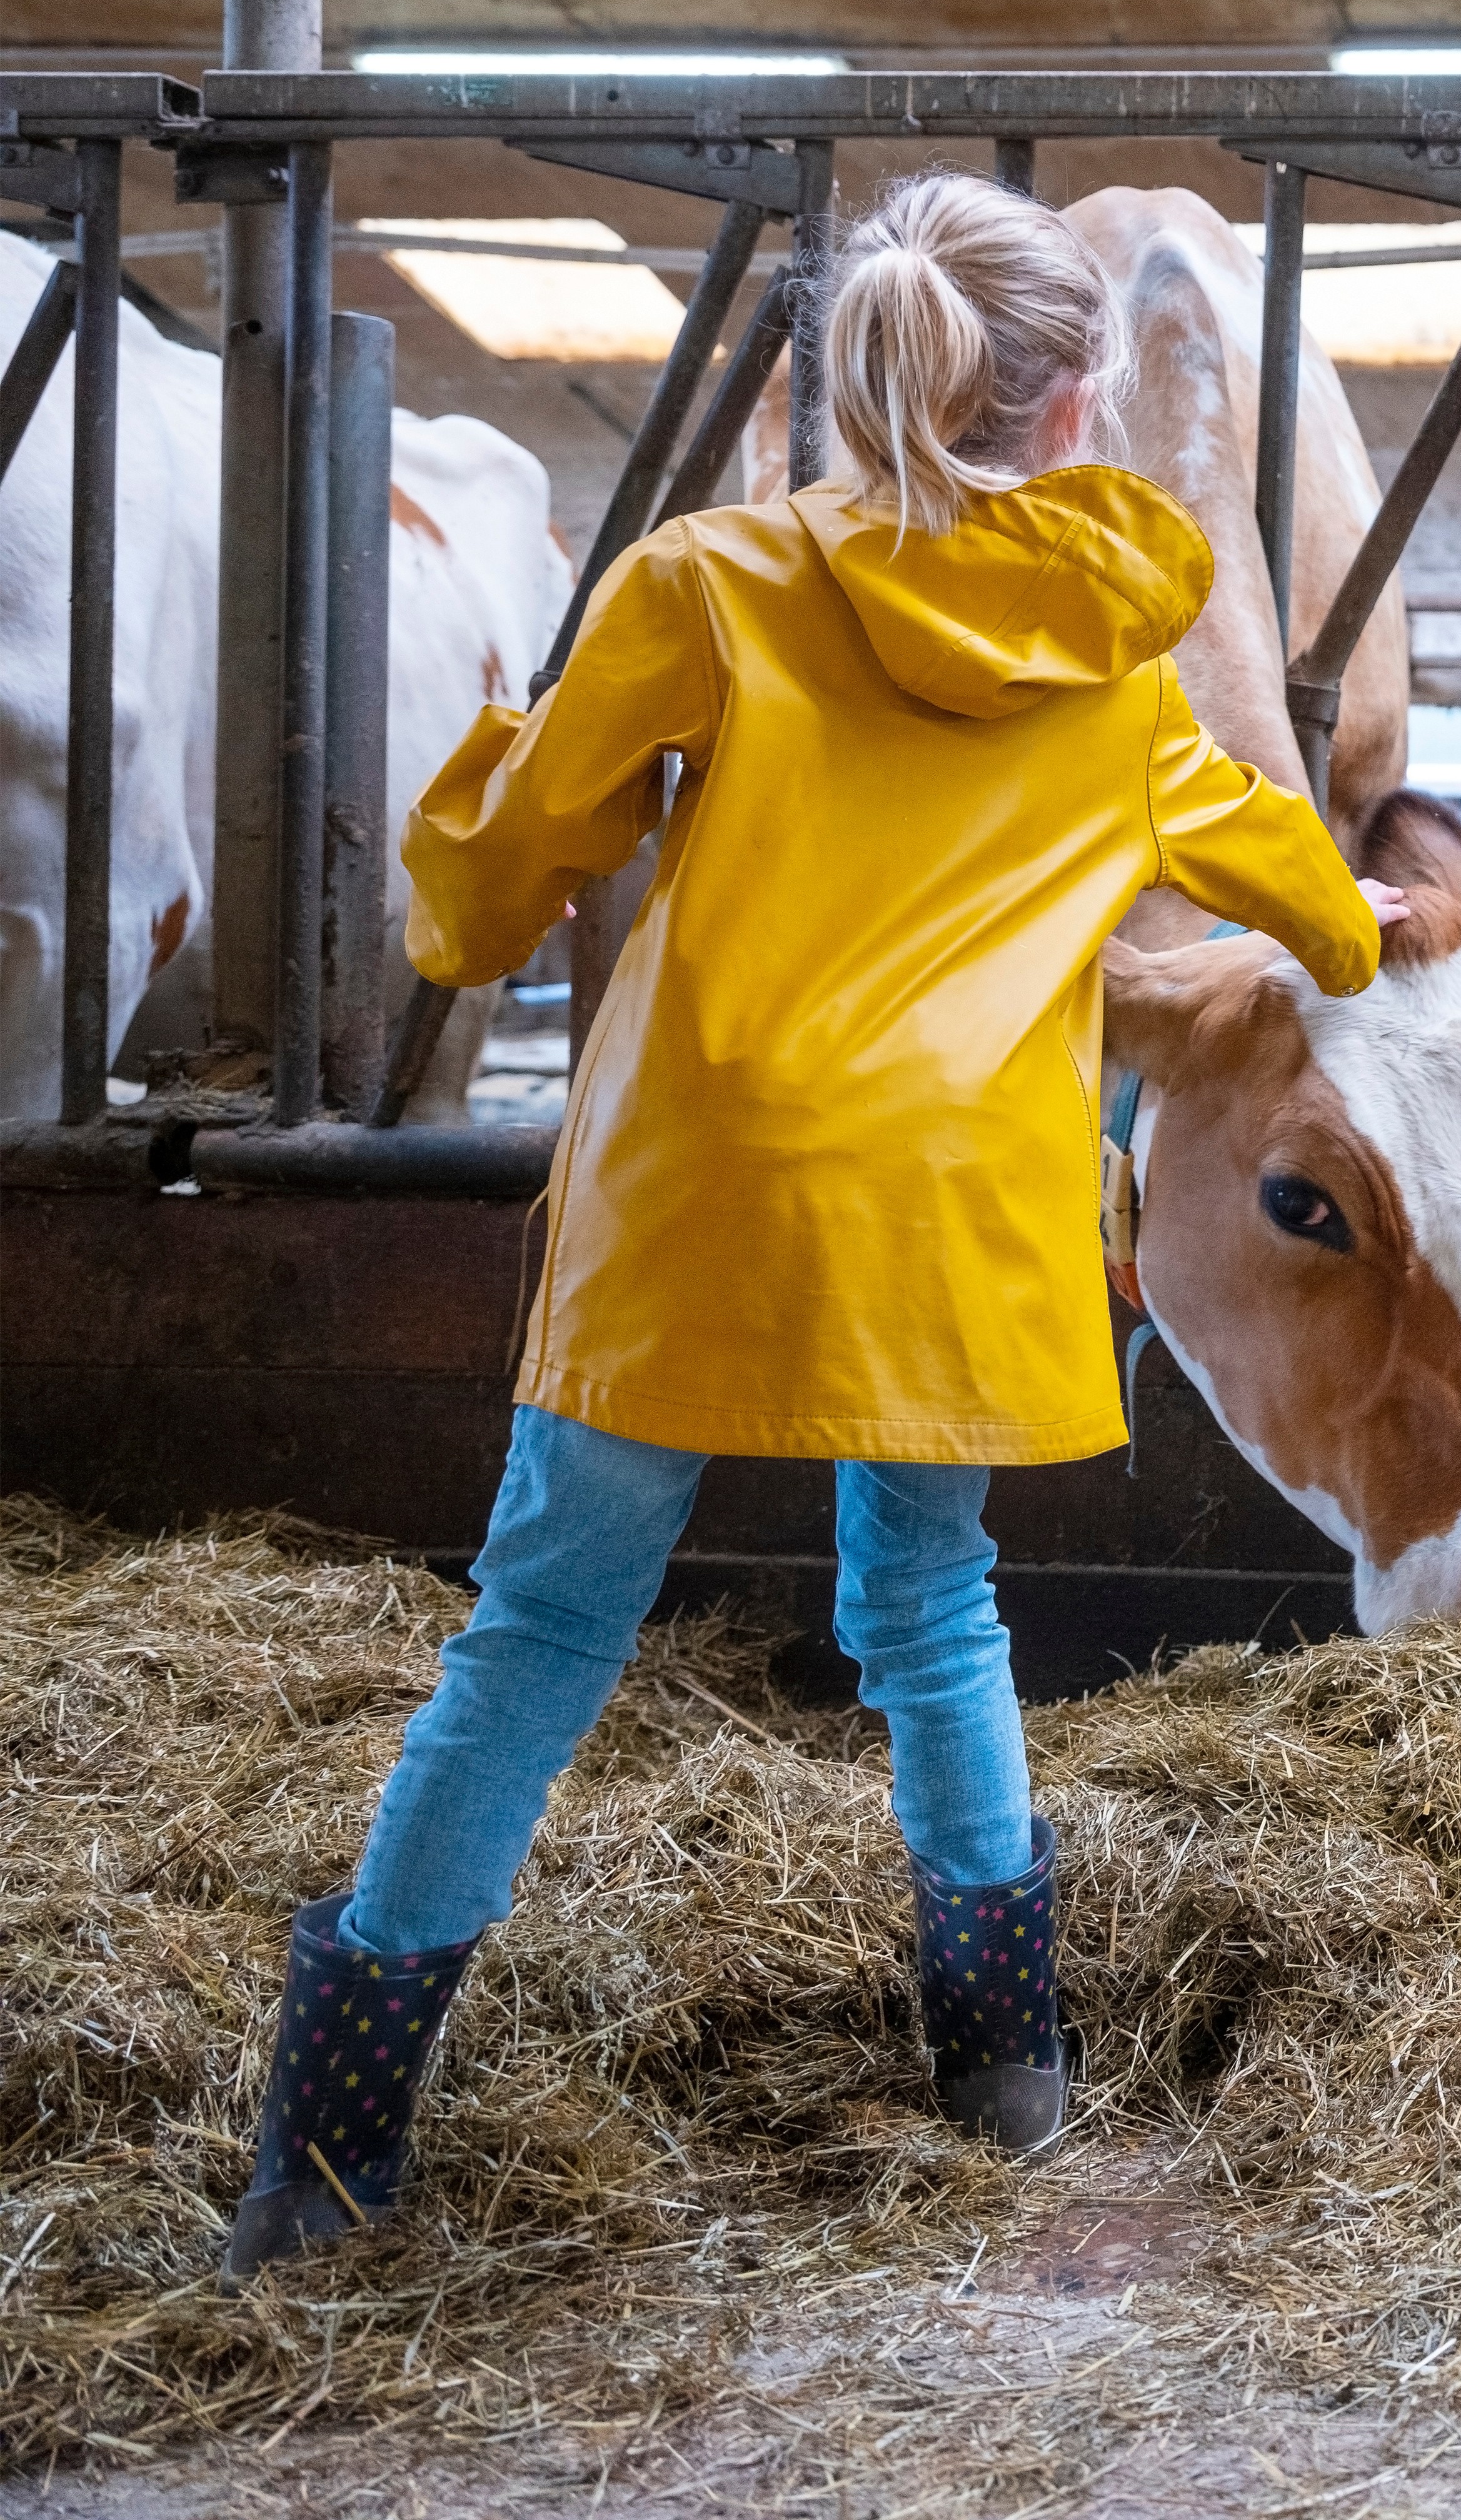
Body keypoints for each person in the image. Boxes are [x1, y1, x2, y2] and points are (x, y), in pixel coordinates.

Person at [219, 170, 1397, 2282]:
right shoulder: (1123, 676)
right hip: (948, 1210)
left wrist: (504, 771)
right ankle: (1008, 2069)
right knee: (932, 1606)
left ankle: (325, 2156)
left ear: (849, 387)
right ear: (1071, 415)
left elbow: (487, 899)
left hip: (700, 1191)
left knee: (545, 1627)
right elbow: (1311, 907)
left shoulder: (703, 587)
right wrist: (1367, 908)